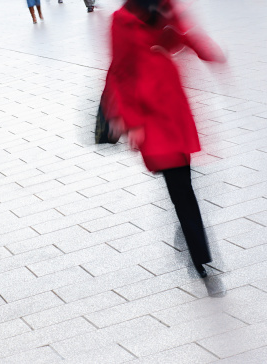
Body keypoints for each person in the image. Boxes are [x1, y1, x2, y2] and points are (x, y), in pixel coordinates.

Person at [103, 0, 226, 278]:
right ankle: (199, 252)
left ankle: (190, 236)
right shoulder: (121, 20)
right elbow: (120, 70)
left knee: (182, 179)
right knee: (180, 184)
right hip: (149, 114)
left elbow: (185, 34)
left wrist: (205, 50)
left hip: (172, 106)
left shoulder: (166, 5)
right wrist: (132, 122)